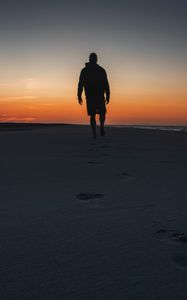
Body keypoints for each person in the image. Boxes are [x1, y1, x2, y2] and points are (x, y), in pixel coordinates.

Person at [77, 53, 110, 138]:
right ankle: (96, 131)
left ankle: (99, 128)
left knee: (99, 113)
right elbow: (80, 84)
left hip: (95, 95)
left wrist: (108, 94)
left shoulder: (100, 70)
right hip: (93, 96)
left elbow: (106, 83)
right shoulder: (85, 71)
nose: (93, 60)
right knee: (94, 114)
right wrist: (79, 95)